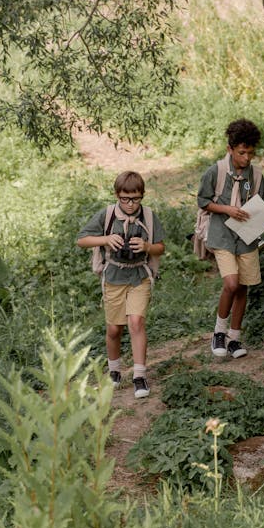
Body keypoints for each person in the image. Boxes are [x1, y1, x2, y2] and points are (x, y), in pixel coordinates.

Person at [77, 171, 165, 399]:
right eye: (125, 199)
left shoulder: (148, 216)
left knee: (136, 322)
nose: (130, 204)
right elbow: (82, 240)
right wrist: (106, 239)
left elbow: (161, 247)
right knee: (114, 329)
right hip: (114, 276)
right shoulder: (107, 215)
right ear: (117, 195)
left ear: (142, 196)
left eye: (135, 198)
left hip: (139, 276)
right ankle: (114, 371)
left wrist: (146, 246)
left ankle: (139, 375)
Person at [197, 118, 264, 359]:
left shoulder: (256, 176)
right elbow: (203, 201)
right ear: (230, 149)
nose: (246, 158)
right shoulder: (215, 172)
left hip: (246, 237)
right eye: (241, 152)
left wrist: (256, 221)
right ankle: (219, 332)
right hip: (222, 235)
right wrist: (227, 209)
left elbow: (263, 204)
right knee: (231, 284)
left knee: (243, 288)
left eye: (251, 153)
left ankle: (235, 339)